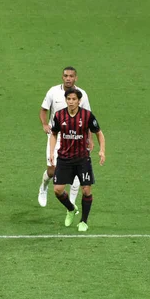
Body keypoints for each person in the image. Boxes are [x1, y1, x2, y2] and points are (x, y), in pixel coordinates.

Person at [49, 89, 105, 232]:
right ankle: (71, 208)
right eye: (69, 99)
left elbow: (99, 133)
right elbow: (54, 134)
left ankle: (83, 222)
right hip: (64, 159)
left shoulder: (86, 116)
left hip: (82, 160)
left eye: (74, 99)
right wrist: (51, 153)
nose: (71, 101)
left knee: (86, 190)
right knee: (57, 190)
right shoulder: (59, 115)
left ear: (79, 101)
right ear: (66, 100)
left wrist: (102, 150)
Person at [38, 67, 91, 207]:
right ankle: (44, 186)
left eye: (71, 76)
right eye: (66, 75)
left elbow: (87, 118)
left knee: (77, 168)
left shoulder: (82, 95)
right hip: (57, 135)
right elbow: (44, 110)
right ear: (62, 77)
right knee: (52, 169)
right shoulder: (53, 92)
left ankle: (72, 201)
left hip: (76, 137)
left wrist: (89, 138)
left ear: (76, 78)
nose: (68, 78)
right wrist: (44, 124)